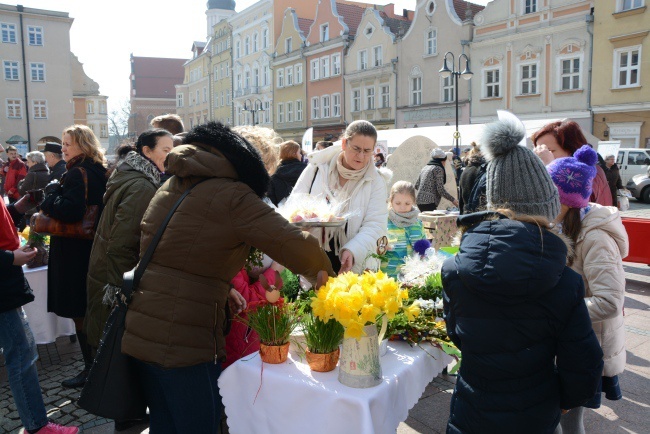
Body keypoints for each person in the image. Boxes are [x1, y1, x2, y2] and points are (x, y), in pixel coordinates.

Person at [120, 122, 334, 432]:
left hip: (143, 323)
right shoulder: (233, 194)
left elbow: (174, 255)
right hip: (184, 336)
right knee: (200, 425)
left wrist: (222, 290)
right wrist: (330, 279)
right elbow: (295, 246)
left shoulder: (176, 183)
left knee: (165, 423)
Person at [442, 115, 604, 434]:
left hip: (471, 411)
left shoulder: (454, 268)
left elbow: (456, 333)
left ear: (493, 203)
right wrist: (564, 400)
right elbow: (584, 363)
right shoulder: (565, 281)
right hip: (535, 415)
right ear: (545, 205)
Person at [547, 146, 628, 434]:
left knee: (567, 421)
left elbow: (609, 301)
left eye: (548, 198)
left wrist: (554, 311)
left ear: (564, 201)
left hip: (584, 345)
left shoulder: (595, 237)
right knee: (555, 417)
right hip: (564, 342)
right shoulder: (559, 227)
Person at [0, 200, 79, 434]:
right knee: (22, 357)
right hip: (2, 290)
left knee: (22, 355)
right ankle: (37, 426)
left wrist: (15, 209)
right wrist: (9, 258)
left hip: (6, 286)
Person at [39, 125, 107, 388]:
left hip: (74, 252)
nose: (63, 148)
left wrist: (50, 195)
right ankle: (95, 368)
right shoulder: (96, 170)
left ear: (83, 144)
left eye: (67, 144)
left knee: (80, 311)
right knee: (87, 310)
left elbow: (70, 211)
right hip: (89, 248)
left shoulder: (78, 173)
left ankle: (91, 370)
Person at [291, 120, 390, 274]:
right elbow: (294, 203)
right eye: (356, 148)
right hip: (314, 258)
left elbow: (375, 225)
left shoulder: (376, 181)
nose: (361, 156)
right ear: (344, 143)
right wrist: (303, 218)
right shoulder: (317, 168)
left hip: (354, 261)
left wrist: (352, 250)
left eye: (367, 151)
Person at [532, 120, 612, 206]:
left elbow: (572, 210)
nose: (541, 156)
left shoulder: (587, 174)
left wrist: (550, 167)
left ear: (571, 149)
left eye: (549, 151)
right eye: (538, 151)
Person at [381, 181, 425, 279]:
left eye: (407, 203)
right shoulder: (384, 222)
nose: (402, 207)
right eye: (398, 203)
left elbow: (424, 249)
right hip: (388, 278)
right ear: (391, 201)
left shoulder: (417, 223)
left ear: (413, 201)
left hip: (412, 278)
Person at [267, 140, 307, 206]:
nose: (301, 155)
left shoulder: (273, 171)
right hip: (305, 211)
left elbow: (271, 197)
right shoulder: (306, 169)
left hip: (282, 211)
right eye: (299, 153)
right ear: (294, 154)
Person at [17, 151, 50, 227]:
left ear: (35, 162)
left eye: (28, 162)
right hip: (44, 208)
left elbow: (22, 191)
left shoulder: (31, 174)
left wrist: (20, 183)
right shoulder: (48, 172)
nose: (27, 164)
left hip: (32, 208)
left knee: (31, 232)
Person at [458, 143, 485, 214]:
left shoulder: (466, 169)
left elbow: (461, 197)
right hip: (479, 215)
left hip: (467, 214)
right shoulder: (482, 170)